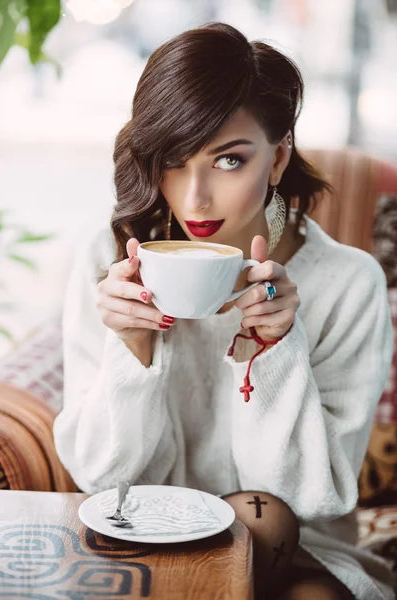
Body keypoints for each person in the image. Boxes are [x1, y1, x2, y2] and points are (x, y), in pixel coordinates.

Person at [53, 22, 394, 600]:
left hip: (295, 548)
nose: (194, 198)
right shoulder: (110, 262)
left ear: (279, 156)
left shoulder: (347, 282)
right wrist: (134, 349)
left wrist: (276, 350)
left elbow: (312, 499)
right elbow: (103, 482)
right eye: (173, 160)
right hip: (146, 537)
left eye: (228, 161)